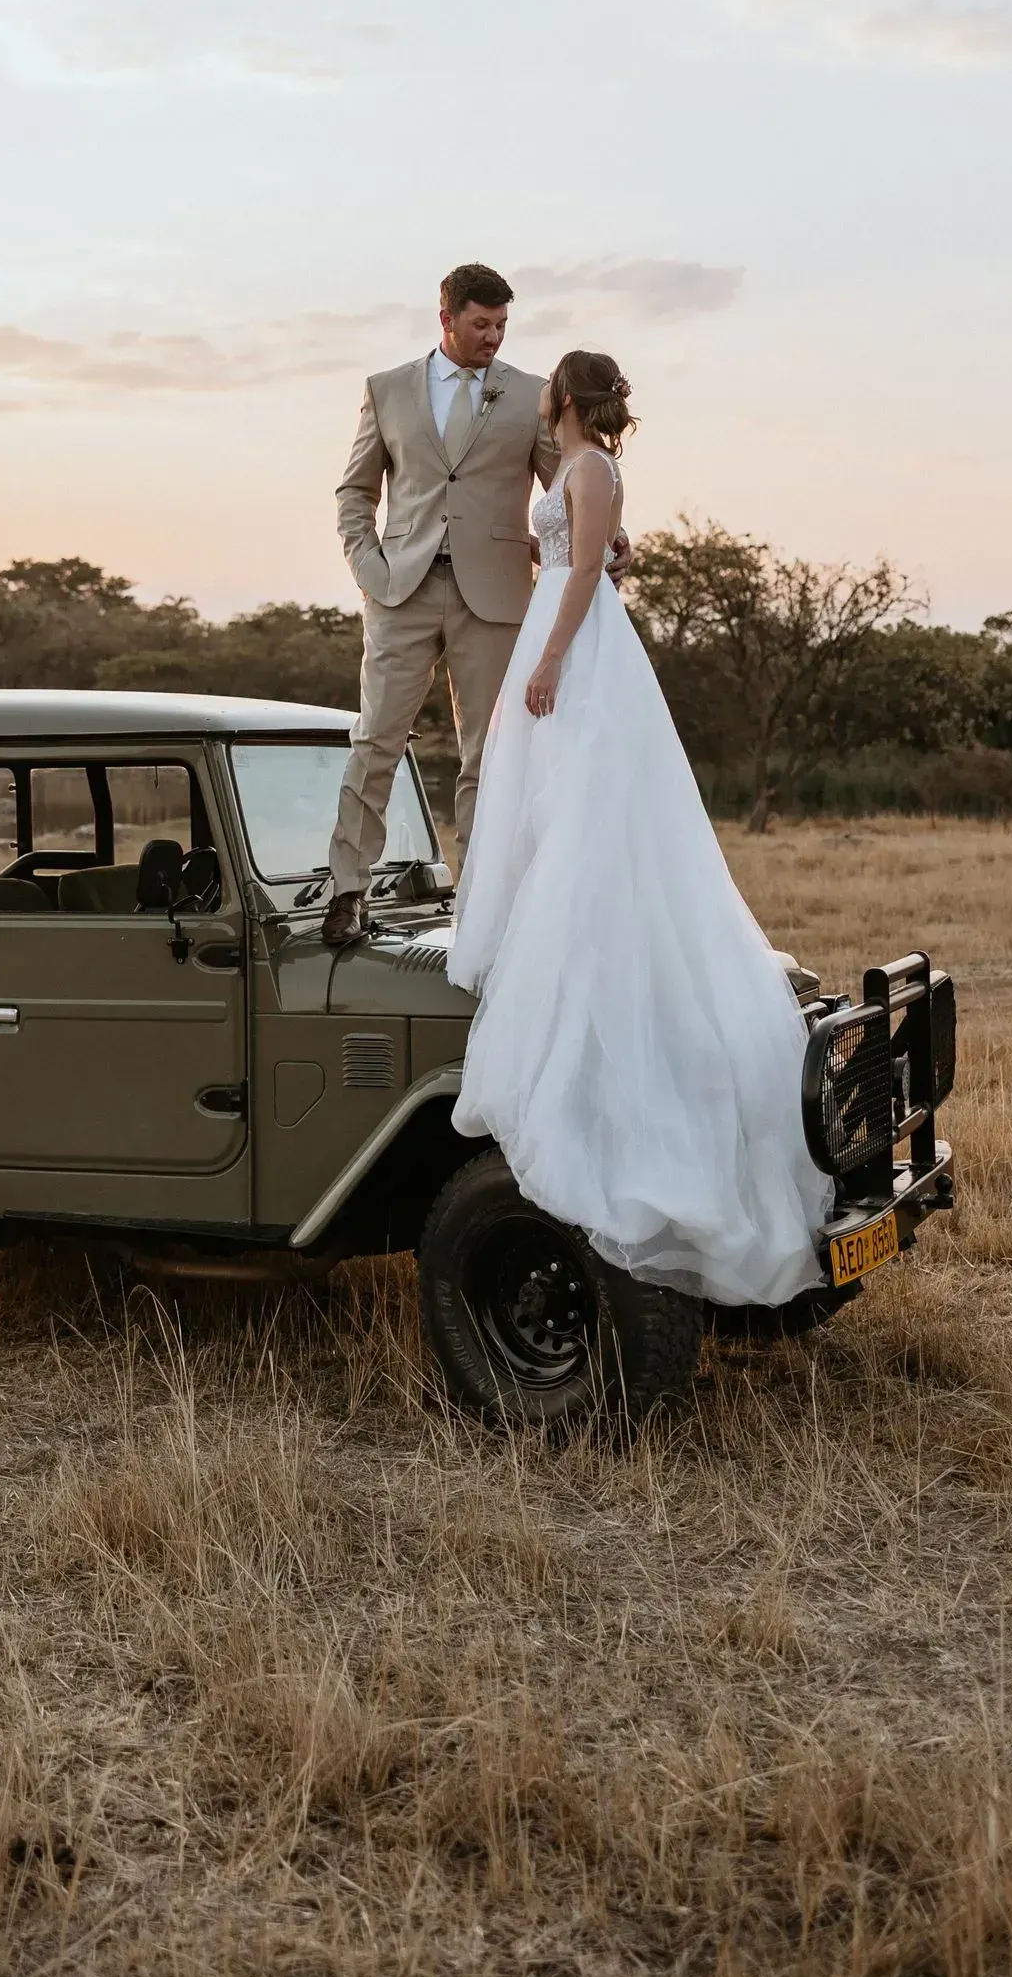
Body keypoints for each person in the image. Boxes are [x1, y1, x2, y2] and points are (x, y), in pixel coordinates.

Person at [446, 348, 834, 1310]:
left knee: (584, 802)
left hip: (576, 641)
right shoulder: (579, 470)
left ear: (564, 397)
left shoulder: (589, 467)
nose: (541, 392)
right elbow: (589, 553)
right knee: (545, 796)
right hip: (560, 621)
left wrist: (551, 657)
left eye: (550, 384)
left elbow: (584, 569)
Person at [324, 263, 617, 950]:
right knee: (376, 740)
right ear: (447, 318)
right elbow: (355, 492)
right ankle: (347, 891)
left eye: (502, 325)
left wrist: (613, 535)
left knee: (487, 755)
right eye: (481, 324)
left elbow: (569, 484)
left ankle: (479, 905)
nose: (493, 337)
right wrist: (368, 570)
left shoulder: (531, 395)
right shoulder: (386, 389)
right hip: (400, 591)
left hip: (496, 597)